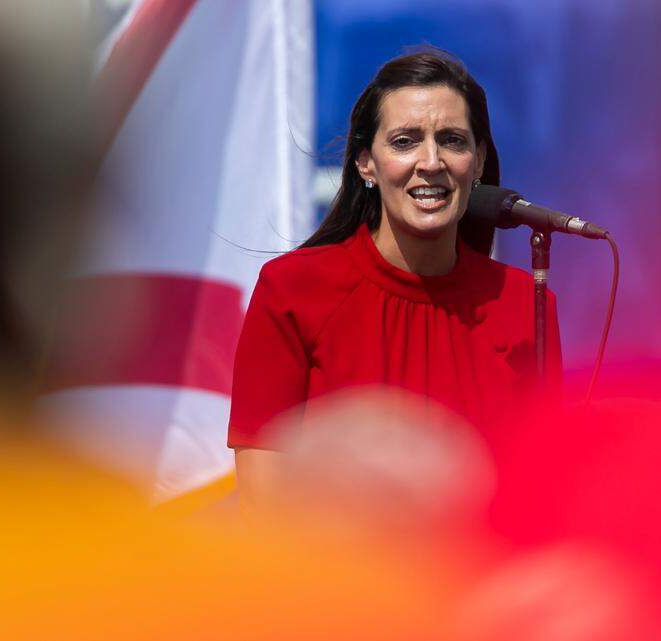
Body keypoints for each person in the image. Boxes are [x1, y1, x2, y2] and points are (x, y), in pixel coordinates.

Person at [228, 49, 562, 510]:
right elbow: (264, 503)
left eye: (452, 140)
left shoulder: (526, 301)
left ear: (479, 160)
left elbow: (542, 495)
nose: (431, 161)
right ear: (366, 163)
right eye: (406, 141)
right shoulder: (291, 290)